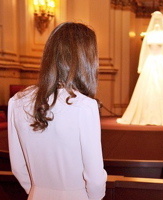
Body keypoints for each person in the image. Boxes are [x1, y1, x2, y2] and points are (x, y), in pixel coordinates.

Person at [8, 22, 107, 200]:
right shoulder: (85, 106)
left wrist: (38, 191)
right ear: (86, 60)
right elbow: (95, 179)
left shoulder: (17, 101)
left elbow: (18, 167)